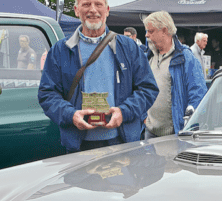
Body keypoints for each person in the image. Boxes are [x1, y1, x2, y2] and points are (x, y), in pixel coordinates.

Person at [38, 0, 158, 153]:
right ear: (76, 10)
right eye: (86, 4)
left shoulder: (129, 48)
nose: (93, 10)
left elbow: (148, 89)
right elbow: (47, 94)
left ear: (107, 10)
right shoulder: (60, 50)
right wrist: (71, 115)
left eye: (98, 4)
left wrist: (124, 112)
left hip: (122, 143)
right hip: (78, 145)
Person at [142, 11, 207, 139]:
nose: (146, 35)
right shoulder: (147, 56)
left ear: (164, 31)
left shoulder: (186, 58)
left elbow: (199, 93)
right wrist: (143, 117)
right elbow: (140, 89)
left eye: (151, 31)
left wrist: (186, 124)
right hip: (149, 132)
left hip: (174, 135)